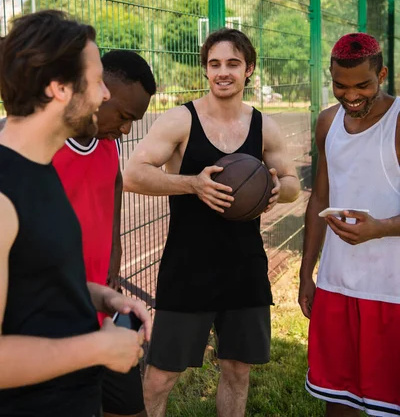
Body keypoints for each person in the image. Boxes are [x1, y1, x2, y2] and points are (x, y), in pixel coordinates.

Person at [123, 27, 300, 417]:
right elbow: (133, 174)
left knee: (238, 372)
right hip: (188, 267)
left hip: (245, 268)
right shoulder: (180, 120)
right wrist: (192, 184)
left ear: (249, 69)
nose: (223, 72)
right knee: (159, 378)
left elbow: (292, 183)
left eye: (233, 64)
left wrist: (274, 191)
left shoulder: (262, 126)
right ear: (205, 70)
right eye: (215, 64)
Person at [0, 10, 150, 417]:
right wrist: (96, 348)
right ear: (59, 88)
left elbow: (38, 284)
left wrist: (104, 296)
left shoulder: (40, 168)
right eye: (97, 80)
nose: (104, 95)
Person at [298, 32, 400, 417]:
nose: (351, 94)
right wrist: (307, 274)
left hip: (391, 291)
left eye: (363, 85)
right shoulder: (328, 123)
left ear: (382, 75)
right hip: (337, 284)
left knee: (387, 404)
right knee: (337, 399)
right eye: (341, 85)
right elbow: (319, 200)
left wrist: (380, 228)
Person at [53, 49, 156, 417]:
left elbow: (113, 184)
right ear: (101, 91)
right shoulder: (40, 148)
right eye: (125, 117)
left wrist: (115, 248)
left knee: (130, 409)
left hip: (102, 311)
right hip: (53, 322)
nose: (127, 129)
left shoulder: (107, 142)